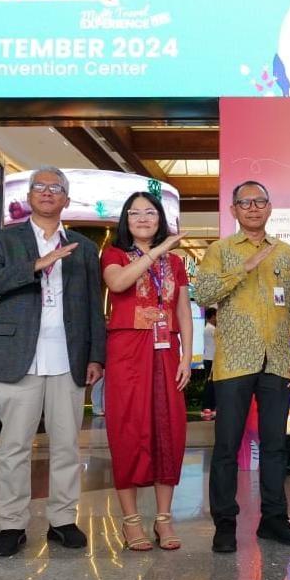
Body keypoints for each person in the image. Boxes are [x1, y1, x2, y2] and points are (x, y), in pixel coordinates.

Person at [0, 166, 106, 557]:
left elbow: (94, 306)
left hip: (69, 358)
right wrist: (36, 265)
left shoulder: (84, 247)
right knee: (14, 446)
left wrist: (96, 355)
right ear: (30, 196)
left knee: (67, 445)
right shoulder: (4, 239)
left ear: (67, 199)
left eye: (56, 188)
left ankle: (63, 520)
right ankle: (11, 525)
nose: (47, 192)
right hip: (18, 355)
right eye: (40, 187)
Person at [193, 180, 290, 554]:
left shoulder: (286, 254)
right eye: (245, 203)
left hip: (276, 360)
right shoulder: (220, 250)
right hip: (234, 362)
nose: (253, 208)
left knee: (276, 445)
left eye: (260, 201)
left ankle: (273, 519)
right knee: (226, 446)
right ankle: (225, 524)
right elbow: (204, 293)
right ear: (233, 210)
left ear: (270, 207)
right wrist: (244, 268)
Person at [101, 192, 191, 551]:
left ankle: (164, 519)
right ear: (126, 219)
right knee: (127, 428)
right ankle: (131, 521)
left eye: (150, 212)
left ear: (160, 218)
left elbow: (183, 310)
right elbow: (118, 283)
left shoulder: (176, 262)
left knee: (169, 429)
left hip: (166, 350)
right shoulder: (114, 254)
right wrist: (157, 251)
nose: (142, 218)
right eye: (134, 213)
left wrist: (187, 355)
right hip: (127, 350)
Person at [200, 307, 217, 419]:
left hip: (209, 359)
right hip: (211, 360)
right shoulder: (212, 329)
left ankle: (209, 407)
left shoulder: (209, 328)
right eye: (217, 316)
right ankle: (207, 408)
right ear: (212, 316)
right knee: (210, 385)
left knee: (211, 384)